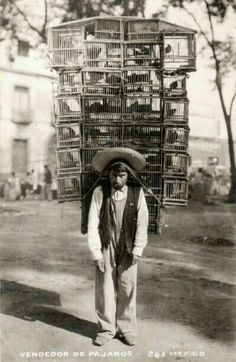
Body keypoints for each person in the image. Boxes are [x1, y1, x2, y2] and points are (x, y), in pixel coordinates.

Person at [87, 148, 149, 347]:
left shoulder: (137, 193)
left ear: (128, 175)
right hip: (106, 245)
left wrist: (138, 249)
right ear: (108, 174)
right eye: (114, 175)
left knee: (127, 286)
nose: (117, 179)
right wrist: (96, 253)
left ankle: (126, 329)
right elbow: (92, 223)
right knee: (104, 287)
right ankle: (106, 329)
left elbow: (142, 223)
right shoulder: (100, 192)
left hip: (128, 246)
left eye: (122, 175)